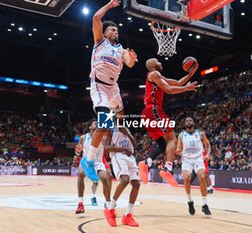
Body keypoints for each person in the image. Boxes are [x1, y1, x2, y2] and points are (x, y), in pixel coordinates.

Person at [81, 0, 138, 181]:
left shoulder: (121, 50)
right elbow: (97, 17)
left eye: (117, 30)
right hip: (99, 86)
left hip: (113, 88)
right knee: (104, 123)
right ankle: (89, 161)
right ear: (105, 33)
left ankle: (119, 140)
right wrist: (110, 4)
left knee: (121, 118)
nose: (116, 31)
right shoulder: (100, 42)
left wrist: (132, 60)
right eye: (112, 30)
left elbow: (129, 64)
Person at [139, 58, 199, 187]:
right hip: (154, 109)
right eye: (158, 61)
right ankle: (168, 168)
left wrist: (190, 74)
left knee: (163, 144)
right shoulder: (154, 74)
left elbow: (177, 83)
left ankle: (146, 163)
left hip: (148, 112)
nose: (160, 63)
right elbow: (169, 90)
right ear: (153, 65)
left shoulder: (157, 77)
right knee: (172, 138)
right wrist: (187, 88)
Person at [104, 121, 140, 227]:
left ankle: (127, 215)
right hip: (118, 155)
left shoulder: (126, 128)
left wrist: (127, 133)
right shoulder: (110, 129)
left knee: (136, 184)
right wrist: (123, 149)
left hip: (130, 157)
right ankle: (110, 209)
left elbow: (135, 145)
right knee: (125, 179)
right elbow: (106, 148)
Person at [176, 117, 211, 215]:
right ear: (184, 124)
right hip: (186, 160)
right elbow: (179, 148)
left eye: (190, 120)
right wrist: (178, 151)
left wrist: (208, 154)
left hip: (198, 158)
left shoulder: (200, 134)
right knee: (186, 177)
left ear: (193, 122)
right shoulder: (181, 135)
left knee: (202, 176)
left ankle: (204, 205)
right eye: (186, 121)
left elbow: (208, 145)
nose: (188, 122)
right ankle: (190, 201)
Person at [75, 120, 99, 214]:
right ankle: (80, 204)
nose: (97, 124)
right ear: (90, 127)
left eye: (98, 123)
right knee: (80, 174)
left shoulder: (101, 136)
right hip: (86, 161)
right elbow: (77, 152)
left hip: (97, 161)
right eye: (94, 123)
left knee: (96, 182)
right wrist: (78, 150)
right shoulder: (83, 137)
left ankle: (95, 196)